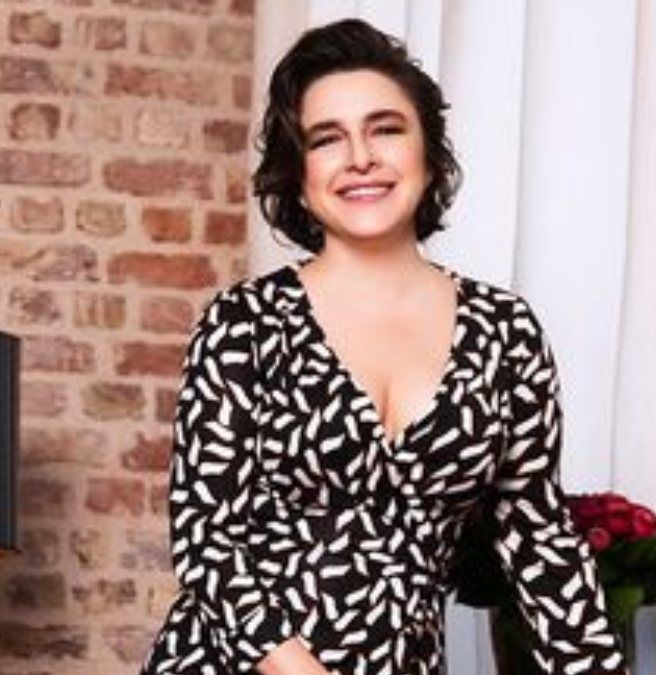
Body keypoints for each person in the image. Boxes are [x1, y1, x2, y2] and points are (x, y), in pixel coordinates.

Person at [140, 18, 626, 675]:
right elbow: (208, 541)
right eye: (326, 139)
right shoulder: (242, 325)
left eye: (386, 129)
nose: (360, 158)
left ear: (428, 152)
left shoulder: (505, 332)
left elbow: (540, 542)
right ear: (299, 173)